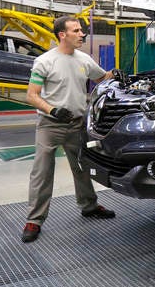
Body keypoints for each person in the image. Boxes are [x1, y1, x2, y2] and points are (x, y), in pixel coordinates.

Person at [22, 16, 116, 243]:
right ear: (62, 35)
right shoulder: (45, 61)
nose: (82, 34)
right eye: (76, 30)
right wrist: (52, 110)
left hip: (76, 123)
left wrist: (114, 75)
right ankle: (34, 220)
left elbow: (102, 77)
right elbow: (31, 95)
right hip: (50, 125)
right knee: (42, 172)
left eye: (81, 30)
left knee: (82, 167)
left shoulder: (84, 59)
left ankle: (89, 206)